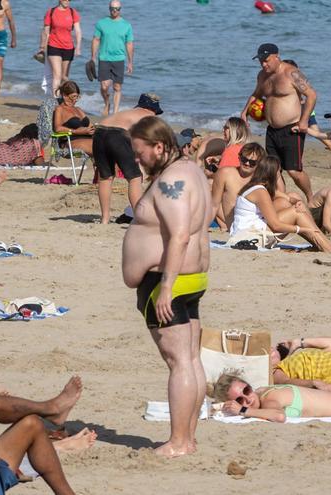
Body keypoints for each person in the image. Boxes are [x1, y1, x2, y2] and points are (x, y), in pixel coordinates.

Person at [122, 116, 212, 458]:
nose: (136, 159)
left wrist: (167, 287)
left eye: (139, 152)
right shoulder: (191, 170)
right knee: (190, 359)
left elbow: (179, 235)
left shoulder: (169, 182)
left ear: (159, 147)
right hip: (192, 278)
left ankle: (178, 441)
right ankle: (188, 438)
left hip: (168, 281)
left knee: (180, 362)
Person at [241, 43, 317, 200]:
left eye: (267, 60)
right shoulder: (262, 75)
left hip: (292, 129)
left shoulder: (292, 73)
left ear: (277, 56)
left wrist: (304, 121)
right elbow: (256, 94)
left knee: (294, 171)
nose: (264, 64)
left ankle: (310, 197)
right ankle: (282, 198)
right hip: (272, 129)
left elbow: (312, 95)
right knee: (273, 170)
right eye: (261, 61)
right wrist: (244, 112)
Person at [228, 155, 331, 252]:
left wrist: (297, 202)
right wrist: (301, 229)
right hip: (250, 237)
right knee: (297, 213)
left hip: (247, 232)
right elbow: (276, 226)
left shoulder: (257, 186)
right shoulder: (260, 191)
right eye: (279, 172)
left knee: (284, 203)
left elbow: (286, 197)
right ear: (273, 174)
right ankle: (327, 246)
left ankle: (321, 242)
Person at [91, 92, 161, 224]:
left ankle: (105, 219)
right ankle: (140, 219)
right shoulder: (149, 117)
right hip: (117, 135)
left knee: (105, 177)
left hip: (99, 132)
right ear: (154, 109)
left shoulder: (127, 113)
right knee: (134, 178)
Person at [91, 1, 133, 116]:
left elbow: (129, 44)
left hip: (119, 58)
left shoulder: (126, 25)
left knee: (117, 87)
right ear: (109, 9)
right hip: (104, 58)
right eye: (113, 8)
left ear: (120, 9)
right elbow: (96, 39)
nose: (115, 11)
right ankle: (107, 103)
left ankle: (115, 113)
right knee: (104, 87)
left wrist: (130, 62)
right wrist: (93, 57)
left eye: (117, 9)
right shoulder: (101, 23)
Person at [211, 142, 266, 230]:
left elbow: (277, 196)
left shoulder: (261, 179)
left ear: (259, 164)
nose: (247, 163)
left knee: (288, 200)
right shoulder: (225, 173)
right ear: (239, 157)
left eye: (252, 162)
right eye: (244, 159)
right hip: (239, 229)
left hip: (258, 225)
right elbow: (214, 205)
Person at [39, 0, 81, 95]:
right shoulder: (51, 12)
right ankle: (56, 101)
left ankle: (64, 99)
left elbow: (78, 31)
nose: (67, 1)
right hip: (54, 46)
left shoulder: (72, 12)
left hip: (68, 47)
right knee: (57, 75)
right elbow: (45, 31)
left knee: (64, 77)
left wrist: (78, 46)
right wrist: (42, 47)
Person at [52, 80, 93, 155]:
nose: (76, 100)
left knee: (111, 144)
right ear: (64, 95)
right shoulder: (60, 109)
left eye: (77, 97)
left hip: (87, 138)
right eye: (73, 97)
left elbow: (91, 126)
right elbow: (57, 128)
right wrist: (77, 131)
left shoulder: (78, 109)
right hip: (71, 141)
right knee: (98, 147)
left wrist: (95, 129)